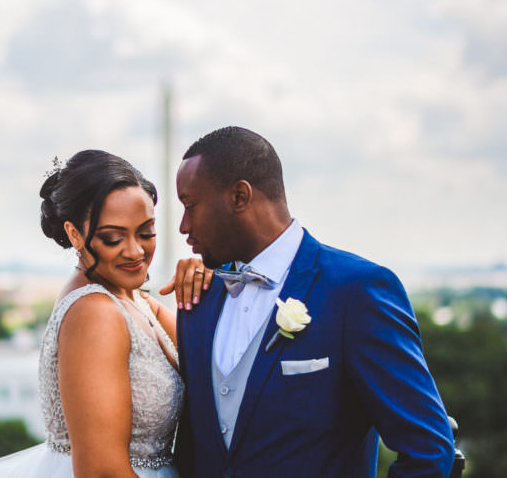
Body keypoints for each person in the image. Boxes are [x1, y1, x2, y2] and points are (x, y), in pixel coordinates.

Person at [174, 126, 455, 477]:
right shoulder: (197, 302)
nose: (183, 226)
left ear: (239, 197)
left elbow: (428, 449)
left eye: (191, 206)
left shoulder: (356, 291)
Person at [0, 150, 212, 478]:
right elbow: (101, 471)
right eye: (113, 238)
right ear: (75, 234)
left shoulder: (137, 300)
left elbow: (210, 362)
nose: (135, 251)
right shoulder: (94, 312)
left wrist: (207, 279)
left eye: (146, 232)